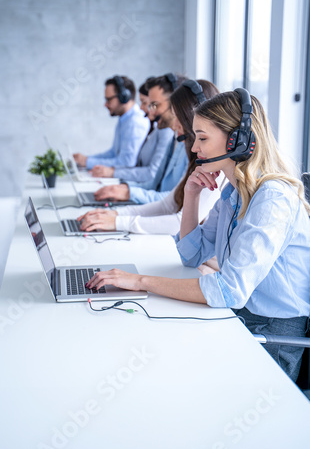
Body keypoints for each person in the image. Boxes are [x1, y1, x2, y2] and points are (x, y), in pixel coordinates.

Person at [86, 89, 310, 381]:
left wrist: (140, 281)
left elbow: (229, 290)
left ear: (237, 142)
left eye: (202, 138)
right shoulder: (233, 192)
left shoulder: (272, 199)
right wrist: (191, 196)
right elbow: (191, 254)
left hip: (273, 335)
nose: (194, 149)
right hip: (243, 317)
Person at [78, 79, 222, 236]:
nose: (174, 126)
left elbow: (179, 223)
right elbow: (168, 205)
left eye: (178, 117)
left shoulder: (214, 166)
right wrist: (117, 214)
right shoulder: (194, 154)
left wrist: (119, 221)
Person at [92, 73, 189, 204]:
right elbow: (155, 184)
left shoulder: (191, 147)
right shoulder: (174, 139)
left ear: (176, 104)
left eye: (154, 105)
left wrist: (128, 193)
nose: (150, 112)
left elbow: (176, 201)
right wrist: (126, 188)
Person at [90, 78, 174, 183]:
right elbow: (114, 153)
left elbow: (150, 173)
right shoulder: (156, 129)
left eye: (147, 103)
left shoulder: (163, 130)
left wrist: (113, 174)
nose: (142, 108)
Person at [73, 75, 149, 170]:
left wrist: (87, 162)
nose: (105, 104)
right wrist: (86, 159)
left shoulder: (135, 122)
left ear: (124, 97)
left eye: (109, 100)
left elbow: (126, 162)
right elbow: (113, 153)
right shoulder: (124, 119)